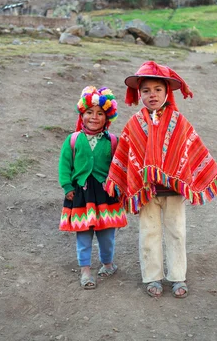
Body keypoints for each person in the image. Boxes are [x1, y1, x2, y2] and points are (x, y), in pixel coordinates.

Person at [105, 61, 217, 298]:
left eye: (157, 89)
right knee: (149, 232)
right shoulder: (134, 124)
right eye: (146, 90)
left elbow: (191, 148)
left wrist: (194, 175)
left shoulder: (179, 121)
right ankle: (152, 277)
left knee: (176, 232)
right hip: (146, 191)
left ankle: (178, 276)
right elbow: (126, 154)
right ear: (139, 93)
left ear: (166, 92)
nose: (152, 95)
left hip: (173, 191)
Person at [59, 86, 128, 289]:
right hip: (81, 193)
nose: (94, 117)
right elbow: (65, 165)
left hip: (107, 195)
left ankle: (108, 263)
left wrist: (119, 186)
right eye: (89, 112)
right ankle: (86, 271)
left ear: (107, 118)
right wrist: (67, 186)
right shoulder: (72, 140)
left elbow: (120, 165)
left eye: (100, 113)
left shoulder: (113, 141)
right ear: (82, 114)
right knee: (84, 233)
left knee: (107, 235)